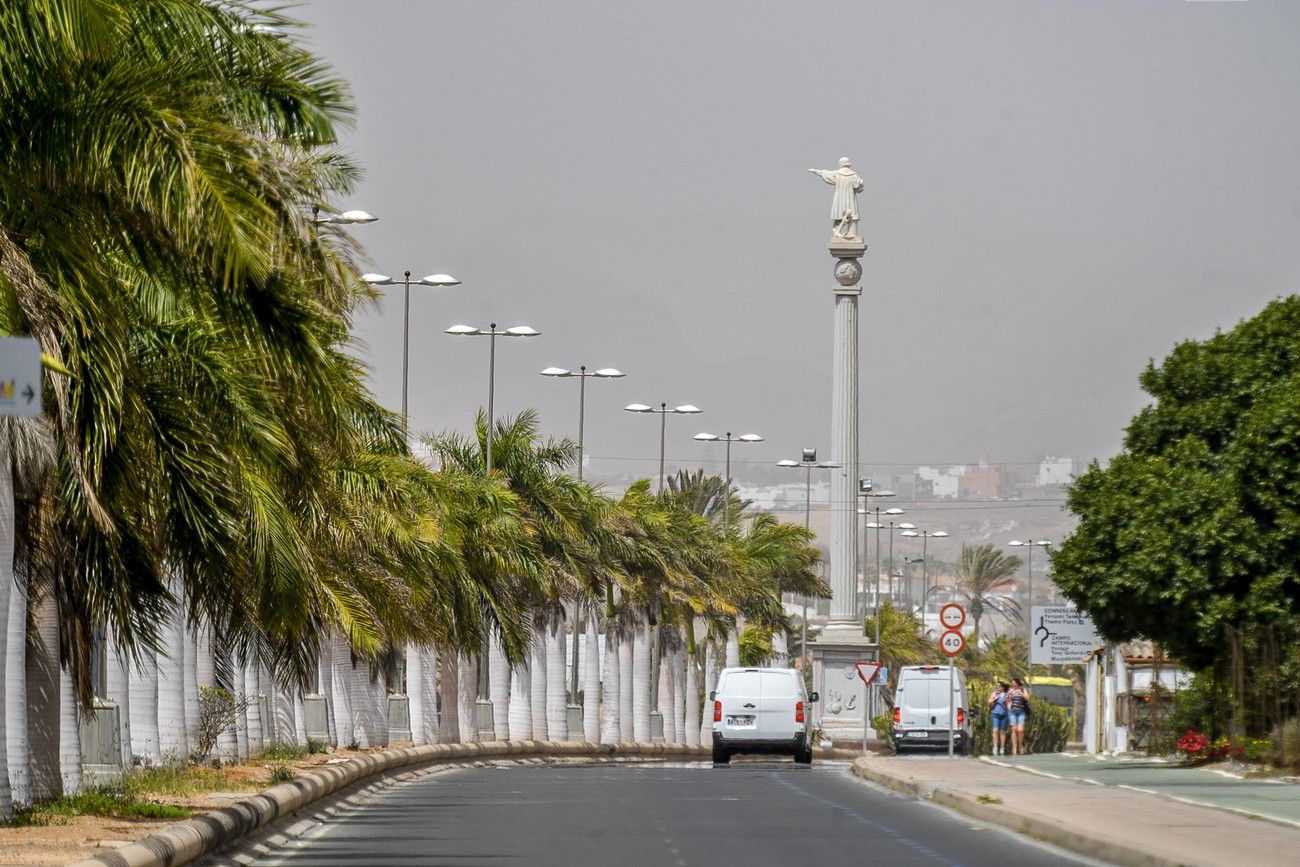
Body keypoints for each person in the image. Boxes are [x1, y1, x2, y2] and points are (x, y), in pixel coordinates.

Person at [1006, 677, 1032, 756]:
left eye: (1014, 683)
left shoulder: (1023, 690)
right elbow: (1007, 700)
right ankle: (1014, 747)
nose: (1012, 684)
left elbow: (1027, 698)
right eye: (1012, 683)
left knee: (1020, 730)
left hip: (1021, 712)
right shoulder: (1010, 690)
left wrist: (1021, 693)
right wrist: (1009, 703)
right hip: (1013, 712)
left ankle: (1020, 745)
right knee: (1014, 729)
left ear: (1017, 683)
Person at [988, 682, 1010, 756]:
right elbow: (989, 701)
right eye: (997, 686)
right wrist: (994, 699)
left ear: (1003, 687)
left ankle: (1002, 748)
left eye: (999, 686)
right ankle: (995, 747)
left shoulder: (1007, 695)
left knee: (1002, 732)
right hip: (995, 714)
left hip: (1004, 715)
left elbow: (1009, 704)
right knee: (995, 730)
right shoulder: (995, 693)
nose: (998, 687)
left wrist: (1007, 702)